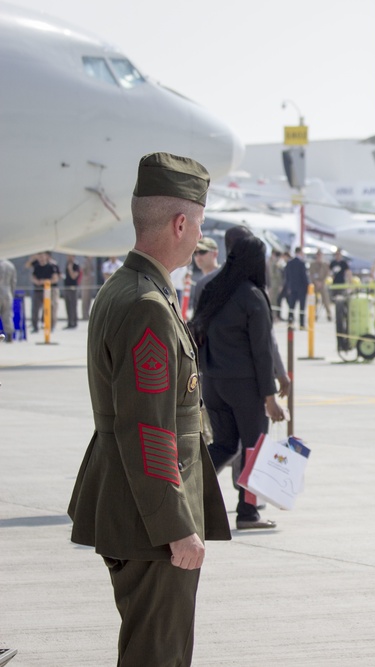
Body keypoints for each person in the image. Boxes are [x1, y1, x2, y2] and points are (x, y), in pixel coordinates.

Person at [67, 152, 231, 666]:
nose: (199, 236)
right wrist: (176, 527)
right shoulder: (147, 306)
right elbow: (149, 428)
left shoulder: (125, 288)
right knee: (158, 656)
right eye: (199, 224)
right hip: (151, 522)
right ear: (181, 223)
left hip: (133, 508)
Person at [190, 234, 287, 531]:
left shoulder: (212, 289)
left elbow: (196, 333)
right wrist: (270, 396)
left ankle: (183, 489)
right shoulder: (253, 296)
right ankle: (247, 512)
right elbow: (261, 350)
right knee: (253, 448)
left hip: (213, 382)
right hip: (244, 386)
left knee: (223, 445)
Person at [26, 251, 60, 332]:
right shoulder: (36, 266)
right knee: (35, 309)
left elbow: (55, 279)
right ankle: (35, 326)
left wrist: (45, 282)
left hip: (48, 291)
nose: (41, 258)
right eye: (39, 256)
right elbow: (32, 276)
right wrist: (36, 281)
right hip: (37, 290)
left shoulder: (51, 266)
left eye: (42, 256)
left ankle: (50, 326)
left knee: (49, 309)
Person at [189, 237, 220, 314]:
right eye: (195, 253)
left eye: (202, 252)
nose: (198, 257)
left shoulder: (222, 277)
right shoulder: (202, 282)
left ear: (215, 253)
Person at [283, 246, 309, 328]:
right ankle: (301, 324)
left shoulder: (289, 263)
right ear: (300, 252)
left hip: (292, 288)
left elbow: (286, 276)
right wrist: (308, 286)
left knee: (291, 307)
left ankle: (290, 322)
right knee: (302, 307)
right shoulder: (302, 263)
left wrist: (288, 286)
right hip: (301, 288)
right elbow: (304, 277)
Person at [308, 249, 333, 322]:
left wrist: (322, 282)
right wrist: (316, 282)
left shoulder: (325, 264)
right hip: (315, 284)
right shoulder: (312, 264)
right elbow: (311, 274)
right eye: (318, 255)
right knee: (314, 300)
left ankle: (329, 314)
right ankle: (314, 314)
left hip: (322, 284)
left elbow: (327, 274)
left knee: (326, 299)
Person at [0, 257, 16, 342]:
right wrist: (12, 293)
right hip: (7, 292)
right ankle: (9, 336)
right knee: (7, 315)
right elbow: (13, 281)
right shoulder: (10, 265)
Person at [63, 254, 81, 329]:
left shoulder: (76, 265)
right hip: (66, 287)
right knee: (68, 306)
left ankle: (74, 322)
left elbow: (74, 276)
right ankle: (69, 322)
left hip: (73, 288)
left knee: (73, 305)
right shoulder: (67, 264)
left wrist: (70, 269)